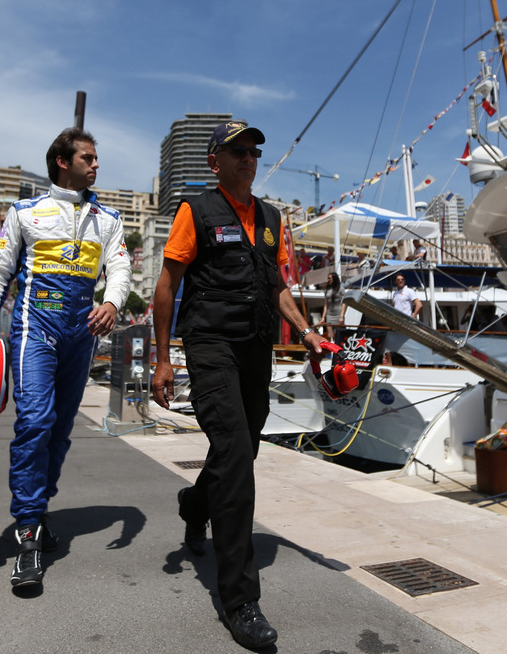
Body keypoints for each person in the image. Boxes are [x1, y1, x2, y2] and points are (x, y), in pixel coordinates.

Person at [150, 121, 323, 650]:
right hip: (209, 346)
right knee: (233, 452)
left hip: (255, 349)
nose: (249, 158)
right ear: (215, 161)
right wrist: (162, 361)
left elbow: (277, 287)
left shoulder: (271, 218)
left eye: (253, 151)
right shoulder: (196, 211)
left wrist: (309, 330)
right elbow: (166, 287)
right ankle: (240, 599)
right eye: (238, 151)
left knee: (239, 454)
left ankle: (196, 504)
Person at [0, 127, 130, 589]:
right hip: (35, 329)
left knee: (58, 429)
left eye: (96, 158)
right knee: (34, 420)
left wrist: (113, 302)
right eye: (88, 158)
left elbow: (120, 267)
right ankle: (30, 528)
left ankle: (38, 508)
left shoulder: (109, 219)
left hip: (82, 334)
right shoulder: (24, 212)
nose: (96, 165)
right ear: (62, 160)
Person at [323, 271, 344, 341]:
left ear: (334, 279)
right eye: (328, 278)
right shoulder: (327, 290)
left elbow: (344, 303)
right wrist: (323, 317)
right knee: (329, 335)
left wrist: (342, 316)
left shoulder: (340, 289)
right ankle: (331, 349)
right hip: (329, 314)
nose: (329, 280)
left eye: (330, 278)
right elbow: (326, 304)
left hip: (338, 313)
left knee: (338, 335)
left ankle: (337, 349)